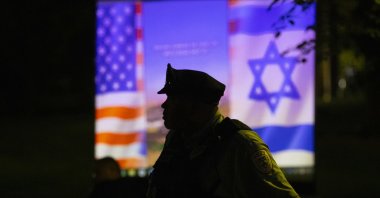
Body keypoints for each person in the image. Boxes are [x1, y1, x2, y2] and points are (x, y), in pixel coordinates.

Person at [146, 64, 299, 198]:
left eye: (172, 99)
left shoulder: (240, 144)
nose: (164, 105)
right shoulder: (177, 138)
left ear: (194, 107)